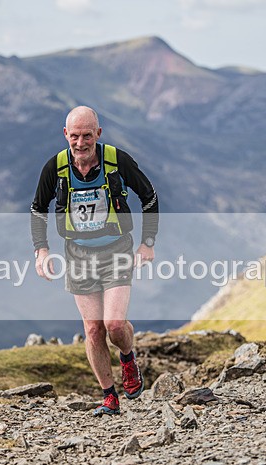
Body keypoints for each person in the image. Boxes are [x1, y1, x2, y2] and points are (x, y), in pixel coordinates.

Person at [30, 106, 159, 416]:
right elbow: (38, 209)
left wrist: (147, 243)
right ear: (66, 135)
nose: (81, 142)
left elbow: (150, 197)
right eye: (74, 136)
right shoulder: (56, 168)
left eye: (87, 135)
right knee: (93, 329)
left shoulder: (117, 161)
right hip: (78, 253)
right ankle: (109, 396)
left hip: (116, 249)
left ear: (98, 134)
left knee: (114, 324)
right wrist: (42, 250)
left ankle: (127, 359)